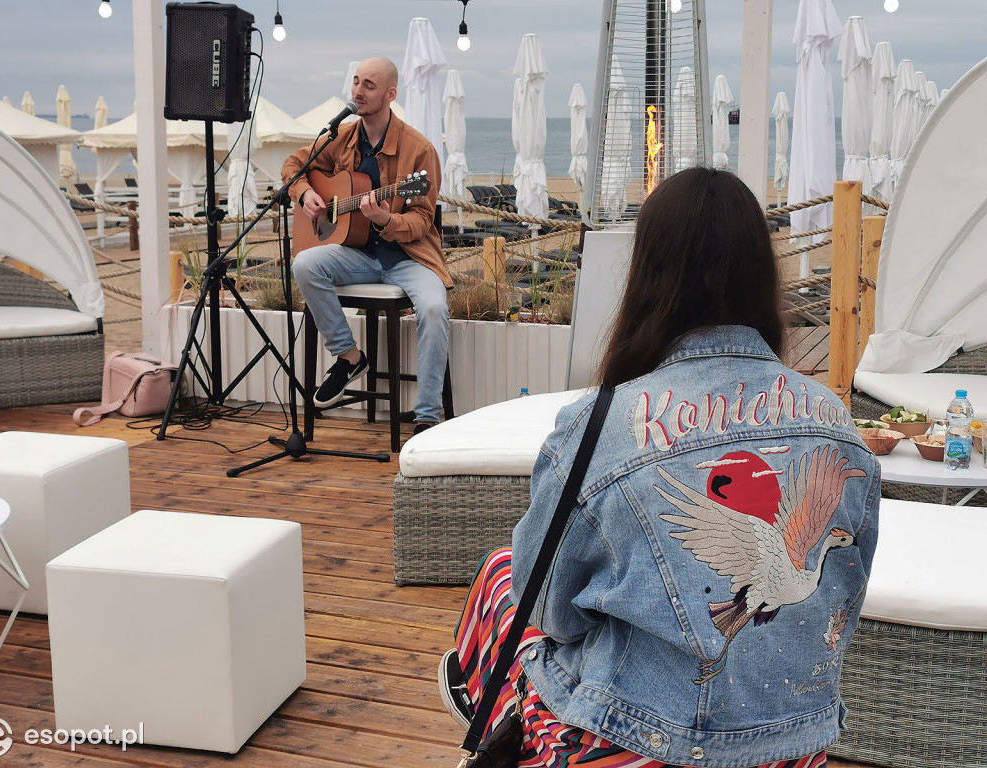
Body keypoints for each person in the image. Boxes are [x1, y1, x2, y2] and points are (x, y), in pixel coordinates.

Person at [439, 168, 880, 768]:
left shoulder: (598, 424)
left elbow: (552, 613)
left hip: (640, 747)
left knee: (502, 580)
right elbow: (843, 593)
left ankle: (485, 711)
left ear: (647, 275)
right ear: (761, 274)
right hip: (793, 750)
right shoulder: (837, 421)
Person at [282, 57, 450, 433]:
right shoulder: (342, 136)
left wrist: (385, 219)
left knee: (435, 309)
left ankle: (426, 419)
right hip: (356, 254)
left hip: (409, 257)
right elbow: (294, 164)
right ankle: (349, 356)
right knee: (305, 264)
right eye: (356, 82)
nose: (358, 91)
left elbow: (423, 220)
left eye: (369, 85)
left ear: (391, 94)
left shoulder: (419, 150)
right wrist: (306, 191)